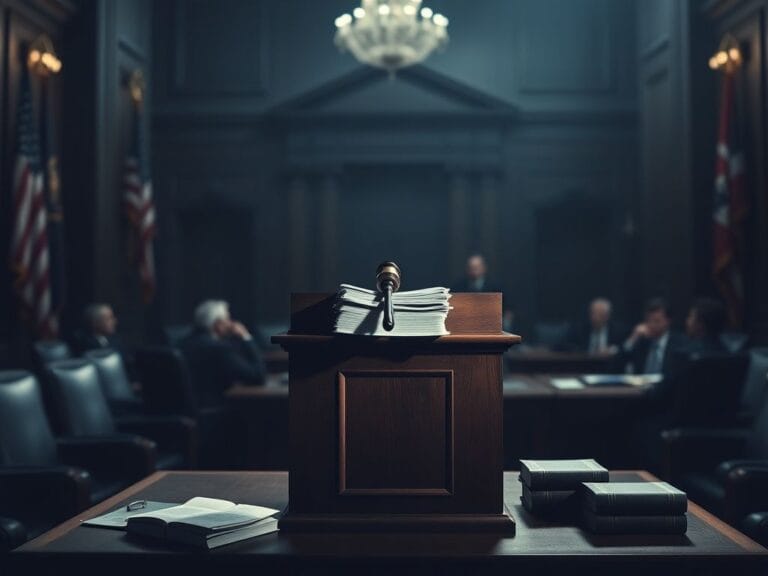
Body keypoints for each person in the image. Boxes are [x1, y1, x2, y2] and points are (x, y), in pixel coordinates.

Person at [180, 300, 265, 408]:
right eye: (228, 319)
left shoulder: (181, 344)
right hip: (217, 409)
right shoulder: (219, 348)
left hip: (185, 410)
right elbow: (257, 376)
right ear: (218, 324)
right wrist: (246, 337)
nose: (231, 324)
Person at [622, 298, 688, 375]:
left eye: (656, 321)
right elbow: (620, 362)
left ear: (668, 321)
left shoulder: (679, 343)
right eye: (648, 320)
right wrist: (633, 339)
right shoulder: (642, 341)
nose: (651, 325)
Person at [451, 254, 513, 330]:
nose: (474, 270)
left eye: (477, 267)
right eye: (471, 267)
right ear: (467, 269)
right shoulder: (458, 287)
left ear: (484, 268)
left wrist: (506, 324)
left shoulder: (495, 287)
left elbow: (507, 309)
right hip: (466, 326)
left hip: (491, 326)